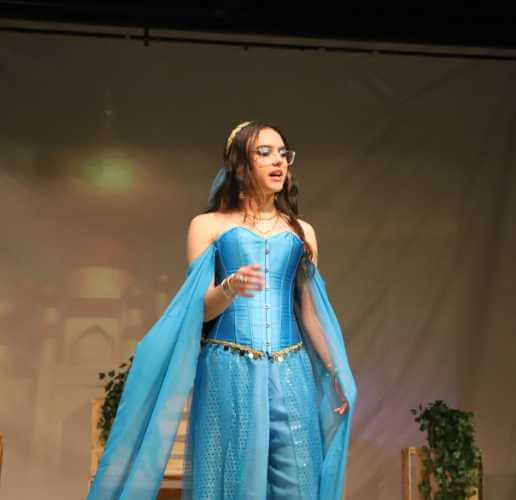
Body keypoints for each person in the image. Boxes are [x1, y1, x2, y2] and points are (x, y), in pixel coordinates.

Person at [88, 121, 356, 500]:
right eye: (265, 152)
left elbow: (310, 314)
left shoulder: (302, 232)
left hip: (290, 370)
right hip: (229, 367)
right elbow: (200, 309)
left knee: (299, 478)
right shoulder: (208, 226)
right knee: (235, 480)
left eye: (283, 153)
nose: (278, 161)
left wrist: (335, 373)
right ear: (240, 163)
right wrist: (230, 287)